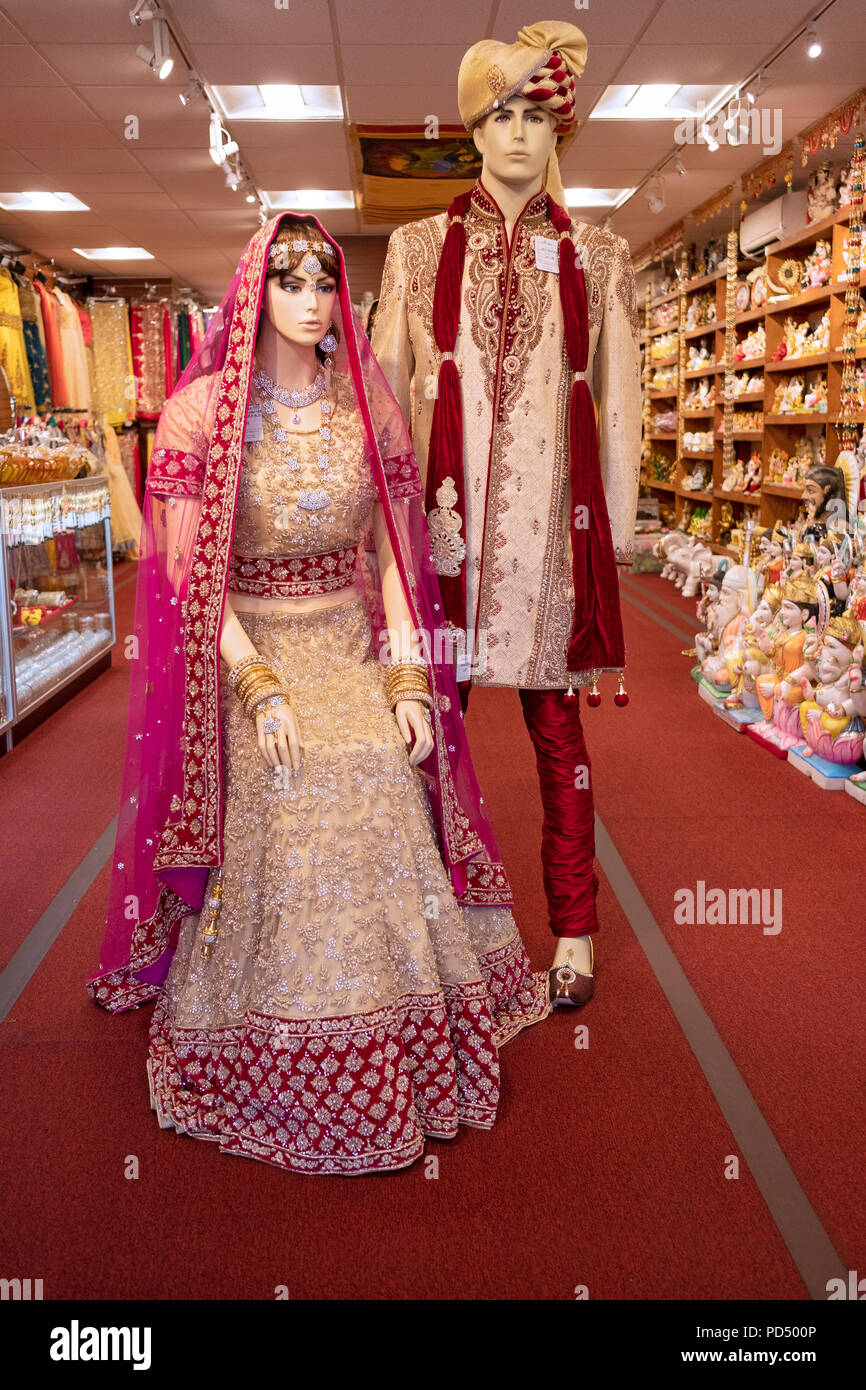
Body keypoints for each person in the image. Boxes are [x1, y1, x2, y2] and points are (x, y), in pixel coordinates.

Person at [86, 213, 550, 1177]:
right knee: (293, 789)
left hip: (346, 649)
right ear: (257, 289)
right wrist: (255, 687)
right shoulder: (198, 414)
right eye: (289, 281)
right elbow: (187, 575)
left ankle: (404, 1029)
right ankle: (274, 1036)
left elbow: (389, 555)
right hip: (251, 653)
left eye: (322, 282)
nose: (307, 300)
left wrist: (409, 678)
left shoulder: (366, 410)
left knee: (380, 773)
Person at [371, 20, 642, 1008]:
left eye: (539, 116)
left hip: (545, 557)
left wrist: (607, 541)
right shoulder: (414, 249)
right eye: (502, 114)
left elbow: (619, 411)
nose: (520, 135)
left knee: (558, 746)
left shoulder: (598, 259)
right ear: (473, 127)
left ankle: (571, 932)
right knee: (425, 742)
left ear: (558, 133)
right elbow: (386, 400)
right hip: (444, 546)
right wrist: (382, 537)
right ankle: (422, 930)